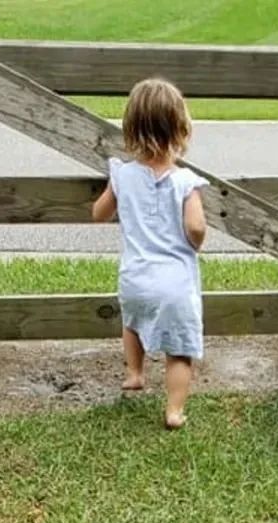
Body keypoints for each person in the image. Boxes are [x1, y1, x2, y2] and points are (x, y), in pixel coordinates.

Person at [92, 78, 209, 430]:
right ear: (180, 128)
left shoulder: (123, 175)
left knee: (132, 323)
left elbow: (99, 213)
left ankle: (135, 373)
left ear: (131, 128)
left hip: (135, 277)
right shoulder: (185, 182)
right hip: (174, 282)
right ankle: (174, 410)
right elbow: (197, 227)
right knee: (180, 350)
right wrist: (196, 240)